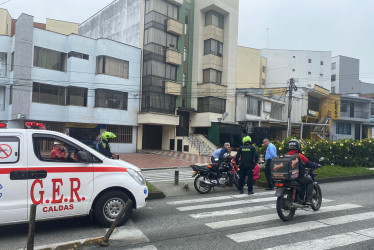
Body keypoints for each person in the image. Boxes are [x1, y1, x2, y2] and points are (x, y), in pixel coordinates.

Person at [287, 139, 321, 205]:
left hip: (288, 177)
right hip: (297, 177)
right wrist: (317, 165)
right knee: (310, 181)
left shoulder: (286, 156)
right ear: (298, 146)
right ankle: (308, 200)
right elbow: (309, 164)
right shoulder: (299, 156)